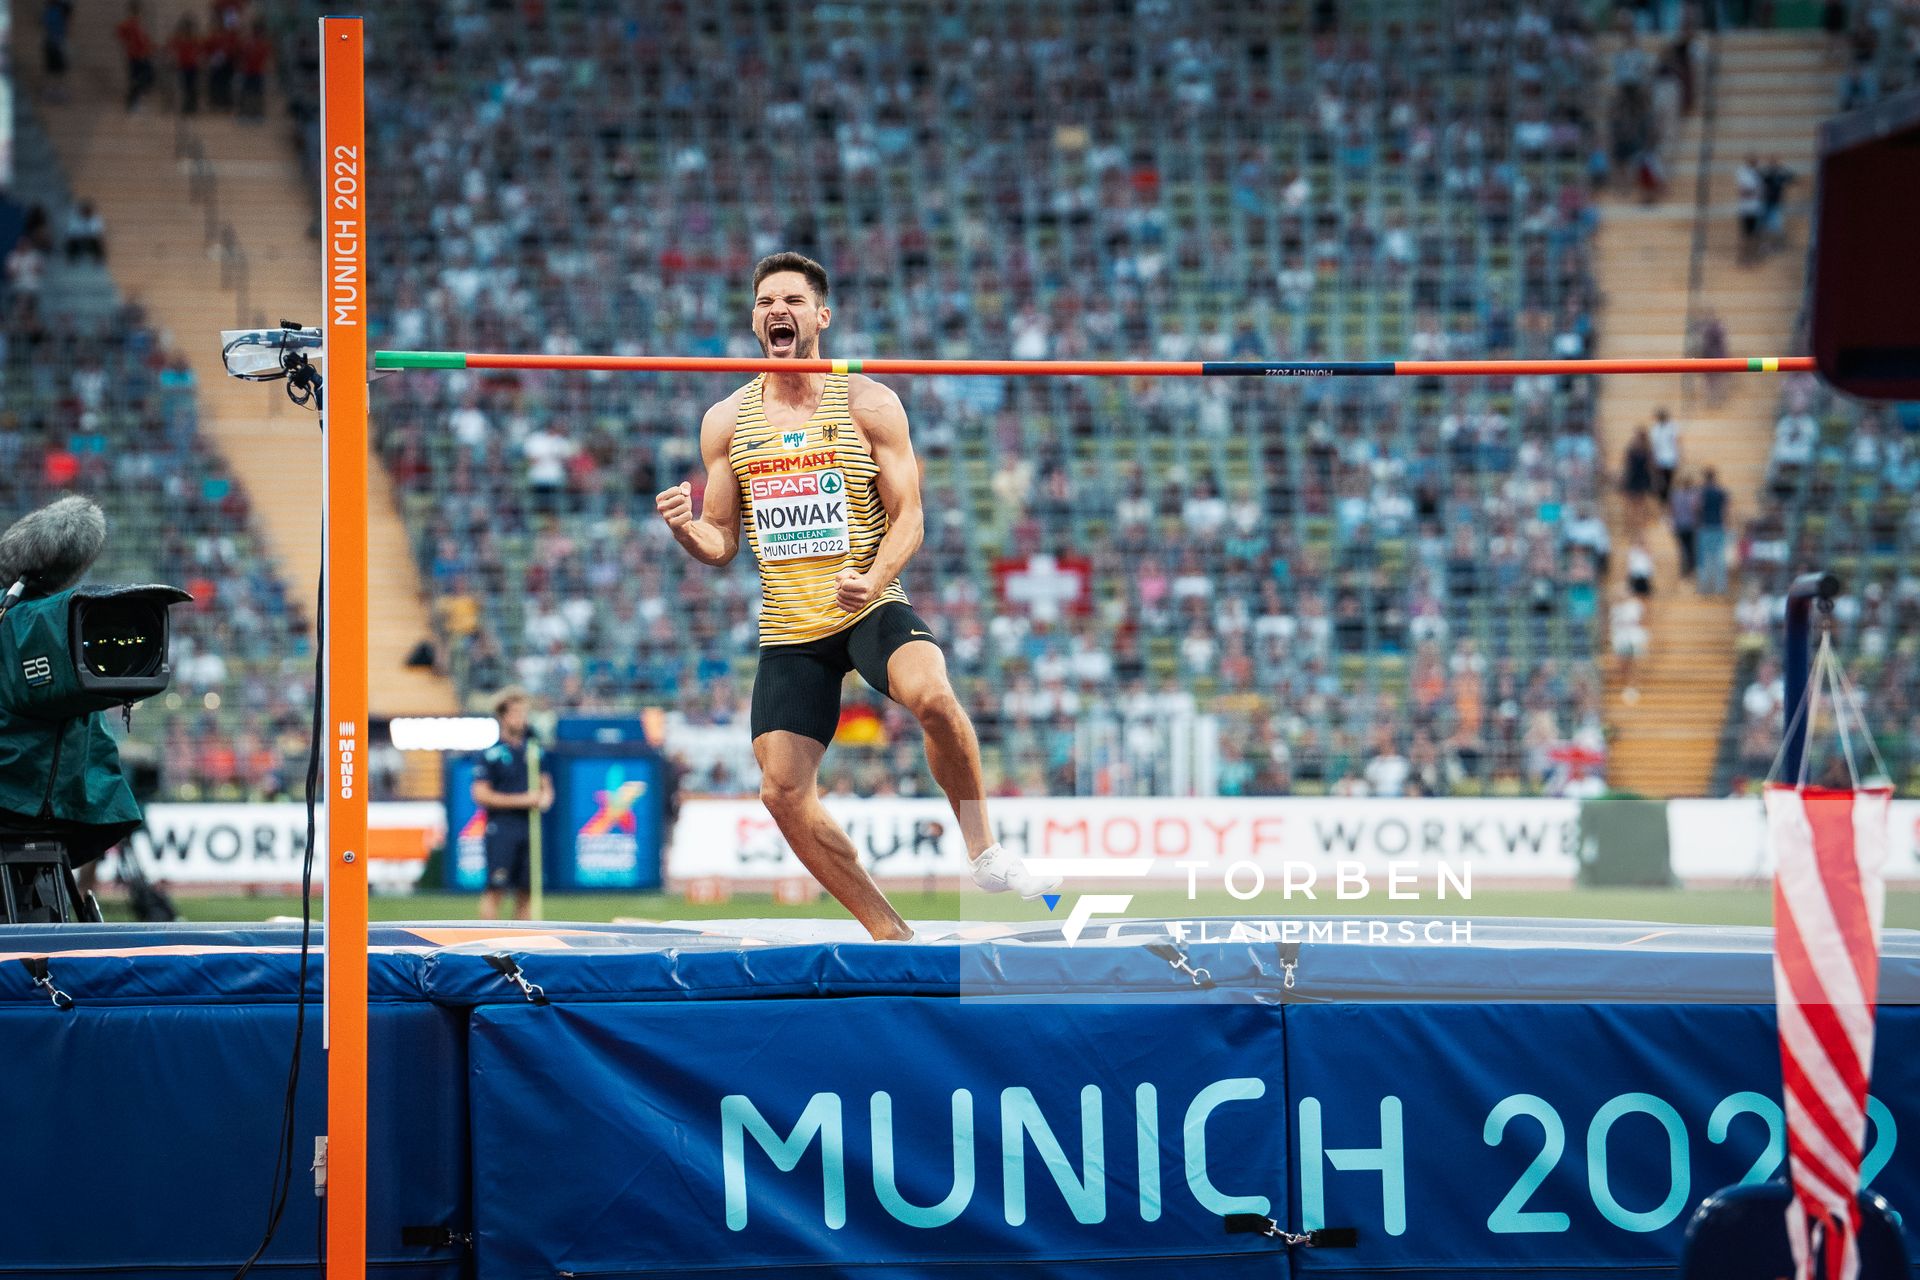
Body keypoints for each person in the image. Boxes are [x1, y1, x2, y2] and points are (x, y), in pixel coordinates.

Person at [655, 251, 1058, 940]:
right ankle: (889, 931)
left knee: (933, 696)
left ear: (821, 315)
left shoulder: (868, 402)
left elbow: (911, 518)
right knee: (781, 791)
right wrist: (689, 534)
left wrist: (871, 577)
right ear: (754, 320)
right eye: (764, 303)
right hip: (791, 626)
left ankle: (984, 851)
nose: (776, 311)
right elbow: (723, 540)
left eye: (791, 300)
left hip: (867, 602)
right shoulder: (726, 421)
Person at [471, 686, 553, 921]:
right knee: (495, 890)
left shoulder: (534, 751)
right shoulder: (491, 755)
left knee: (526, 892)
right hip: (502, 828)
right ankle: (487, 946)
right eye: (516, 713)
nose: (522, 719)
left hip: (530, 828)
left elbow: (546, 787)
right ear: (503, 716)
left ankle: (522, 947)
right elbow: (481, 795)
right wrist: (524, 799)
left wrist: (545, 798)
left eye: (524, 713)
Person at [114, 1, 156, 113]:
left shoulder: (138, 25)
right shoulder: (129, 24)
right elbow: (120, 32)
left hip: (141, 55)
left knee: (145, 77)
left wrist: (149, 49)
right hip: (135, 56)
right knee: (137, 79)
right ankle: (133, 104)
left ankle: (136, 101)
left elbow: (144, 41)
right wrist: (130, 44)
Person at [1696, 467, 1729, 595]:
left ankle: (1705, 587)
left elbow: (1697, 507)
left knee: (1704, 559)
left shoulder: (1702, 492)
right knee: (1719, 558)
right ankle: (1720, 587)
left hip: (1705, 527)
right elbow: (1726, 509)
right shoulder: (1720, 491)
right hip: (1718, 526)